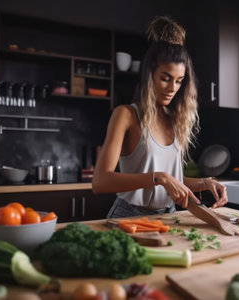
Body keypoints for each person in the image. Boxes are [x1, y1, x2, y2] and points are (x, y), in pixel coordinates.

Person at [92, 16, 228, 218]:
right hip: (128, 215)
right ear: (149, 75)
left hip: (168, 216)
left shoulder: (176, 119)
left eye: (179, 81)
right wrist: (159, 177)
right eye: (165, 78)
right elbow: (101, 182)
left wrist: (204, 182)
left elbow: (171, 181)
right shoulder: (126, 115)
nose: (172, 88)